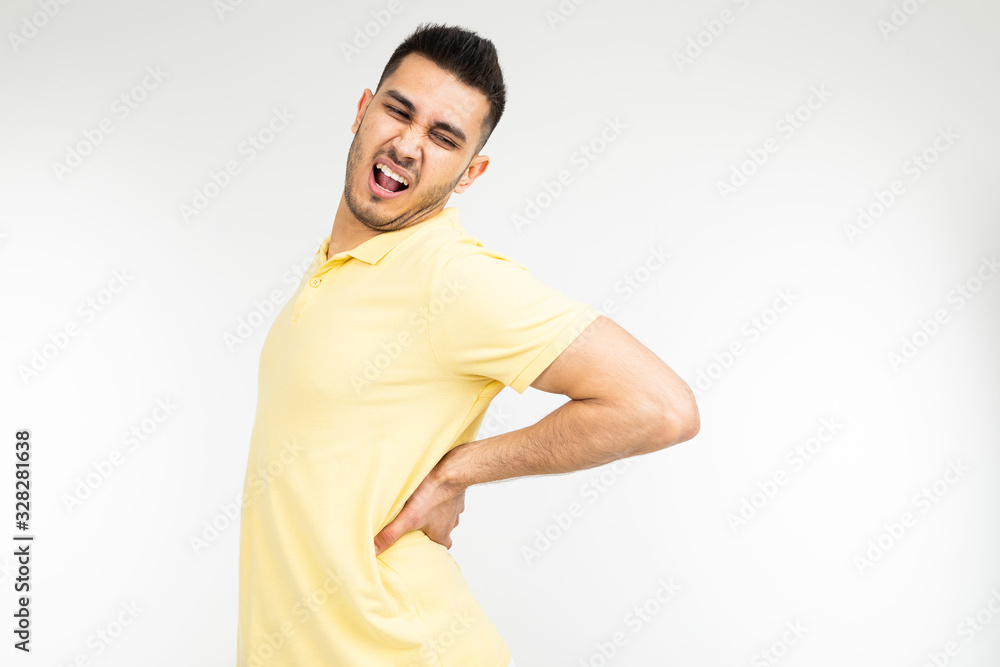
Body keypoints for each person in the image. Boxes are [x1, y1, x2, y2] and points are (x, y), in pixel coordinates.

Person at [235, 22, 700, 667]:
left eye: (443, 137)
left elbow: (660, 407)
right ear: (362, 110)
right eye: (399, 111)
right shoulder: (334, 264)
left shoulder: (451, 277)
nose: (407, 144)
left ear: (471, 172)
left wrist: (458, 471)